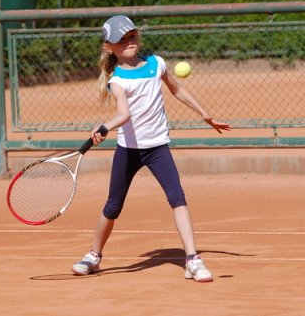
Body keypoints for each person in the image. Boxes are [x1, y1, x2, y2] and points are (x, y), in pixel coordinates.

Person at [71, 15, 231, 282]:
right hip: (129, 150)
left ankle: (192, 259)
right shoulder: (117, 79)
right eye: (121, 40)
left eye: (132, 36)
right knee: (112, 207)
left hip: (157, 147)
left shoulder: (157, 64)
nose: (129, 42)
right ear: (109, 47)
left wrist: (205, 115)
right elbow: (124, 114)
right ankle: (94, 256)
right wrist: (105, 127)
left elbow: (177, 89)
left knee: (177, 197)